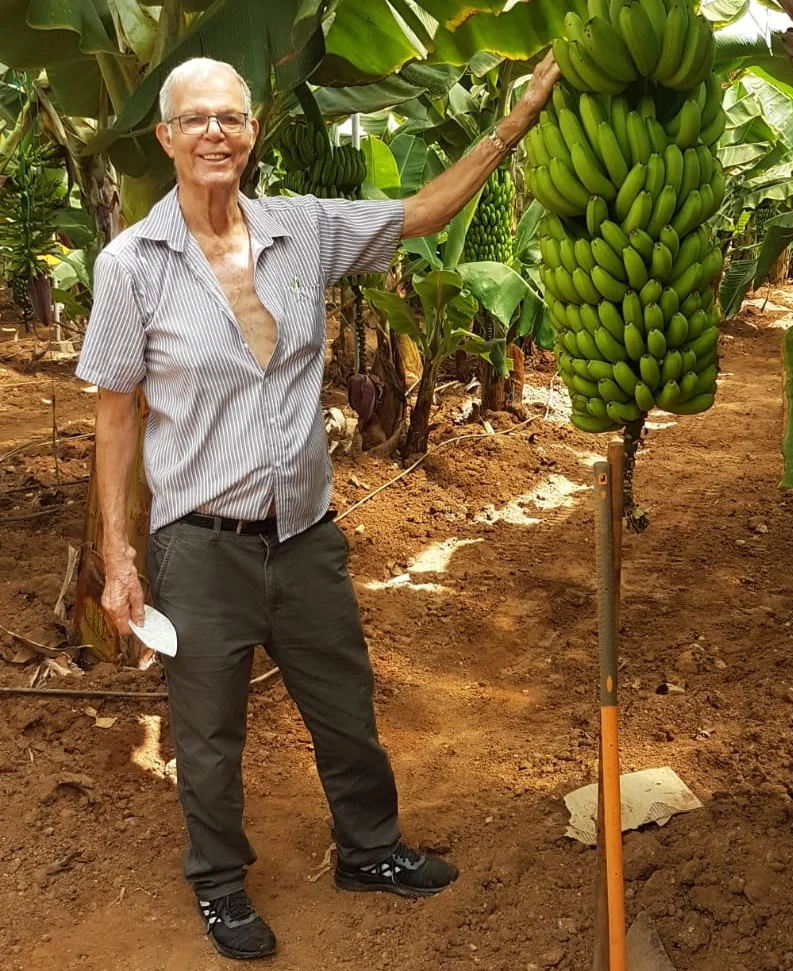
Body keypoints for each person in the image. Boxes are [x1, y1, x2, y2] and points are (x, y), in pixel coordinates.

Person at [76, 53, 559, 961]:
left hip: (304, 535)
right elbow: (114, 415)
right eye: (196, 120)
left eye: (231, 117)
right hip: (200, 546)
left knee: (344, 705)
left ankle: (369, 851)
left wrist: (513, 123)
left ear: (253, 131)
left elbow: (422, 213)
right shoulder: (130, 263)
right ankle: (219, 888)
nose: (215, 132)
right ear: (166, 137)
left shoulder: (305, 229)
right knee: (209, 735)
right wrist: (122, 559)